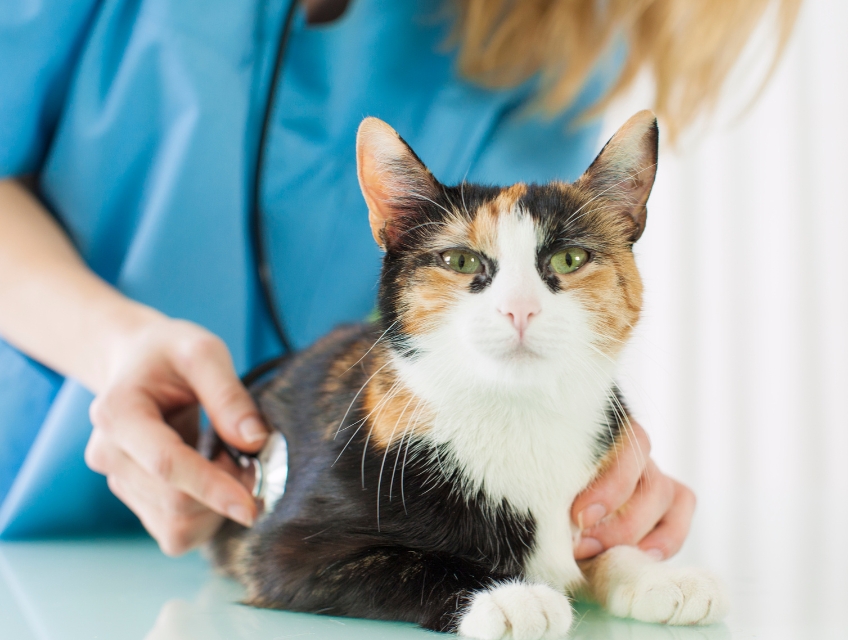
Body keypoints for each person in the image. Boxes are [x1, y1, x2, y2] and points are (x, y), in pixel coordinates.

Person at [0, 0, 798, 556]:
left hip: (337, 532)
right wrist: (113, 345)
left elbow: (500, 317)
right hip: (31, 520)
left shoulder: (554, 28)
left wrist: (574, 442)